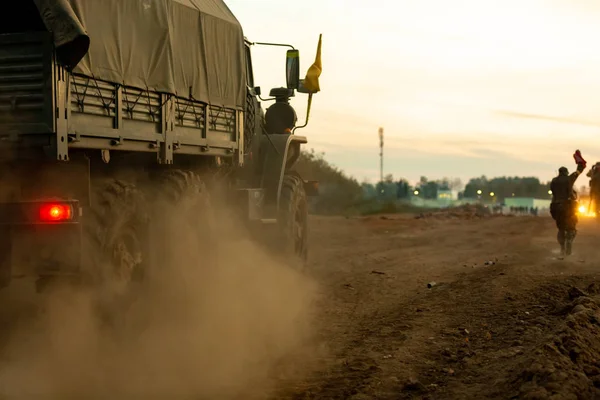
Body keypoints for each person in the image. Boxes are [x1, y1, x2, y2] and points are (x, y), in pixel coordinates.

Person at [550, 154, 586, 256]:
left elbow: (552, 191)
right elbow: (579, 170)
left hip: (556, 207)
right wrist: (580, 163)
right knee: (571, 227)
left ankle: (562, 248)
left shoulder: (554, 181)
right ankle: (569, 241)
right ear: (566, 173)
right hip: (568, 207)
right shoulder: (569, 179)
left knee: (561, 228)